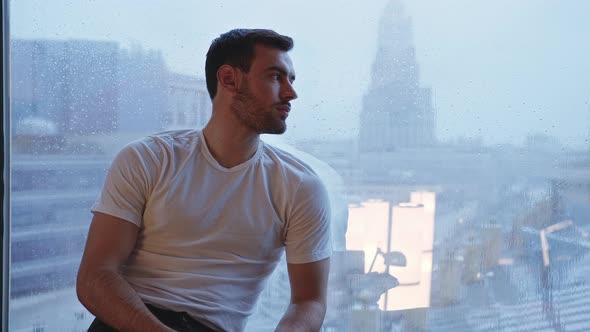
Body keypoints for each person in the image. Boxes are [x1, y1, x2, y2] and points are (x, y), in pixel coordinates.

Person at [76, 28, 332, 332]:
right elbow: (95, 278)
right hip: (128, 322)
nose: (290, 92)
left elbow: (309, 302)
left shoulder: (301, 186)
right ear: (229, 79)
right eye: (276, 77)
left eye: (291, 80)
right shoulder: (148, 159)